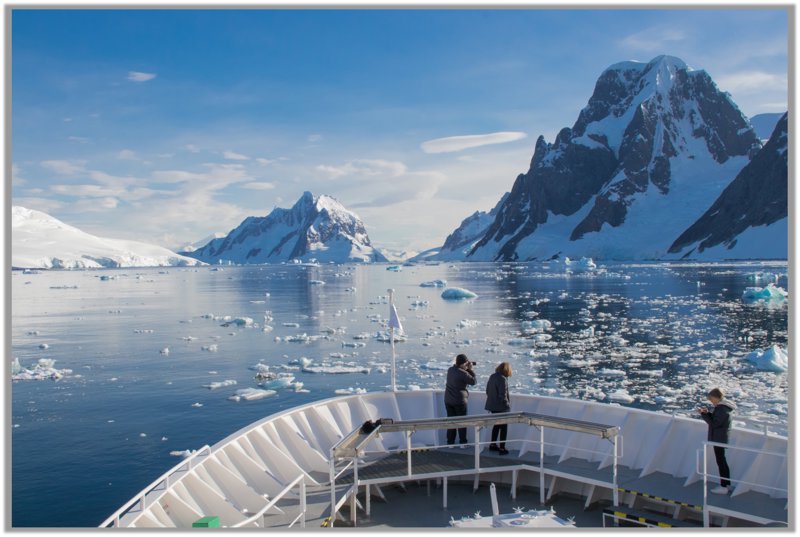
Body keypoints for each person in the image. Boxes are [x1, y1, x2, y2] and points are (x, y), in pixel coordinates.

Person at [698, 388, 737, 494]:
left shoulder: (721, 409)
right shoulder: (724, 408)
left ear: (715, 397)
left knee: (721, 462)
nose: (711, 401)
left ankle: (724, 486)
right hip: (721, 437)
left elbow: (715, 424)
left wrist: (704, 415)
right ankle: (726, 484)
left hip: (719, 438)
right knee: (722, 461)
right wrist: (708, 413)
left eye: (711, 399)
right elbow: (717, 420)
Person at [444, 354, 476, 446]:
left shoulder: (450, 370)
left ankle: (450, 442)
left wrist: (465, 368)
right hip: (459, 401)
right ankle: (463, 442)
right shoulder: (463, 373)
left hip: (448, 400)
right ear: (462, 363)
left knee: (451, 422)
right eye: (466, 363)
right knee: (462, 422)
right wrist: (470, 369)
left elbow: (458, 375)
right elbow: (474, 381)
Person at [485, 362, 512, 455]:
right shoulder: (502, 379)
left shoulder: (492, 376)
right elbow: (503, 396)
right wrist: (507, 405)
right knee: (504, 427)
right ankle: (502, 448)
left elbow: (487, 390)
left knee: (496, 425)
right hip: (501, 407)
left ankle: (492, 445)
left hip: (492, 407)